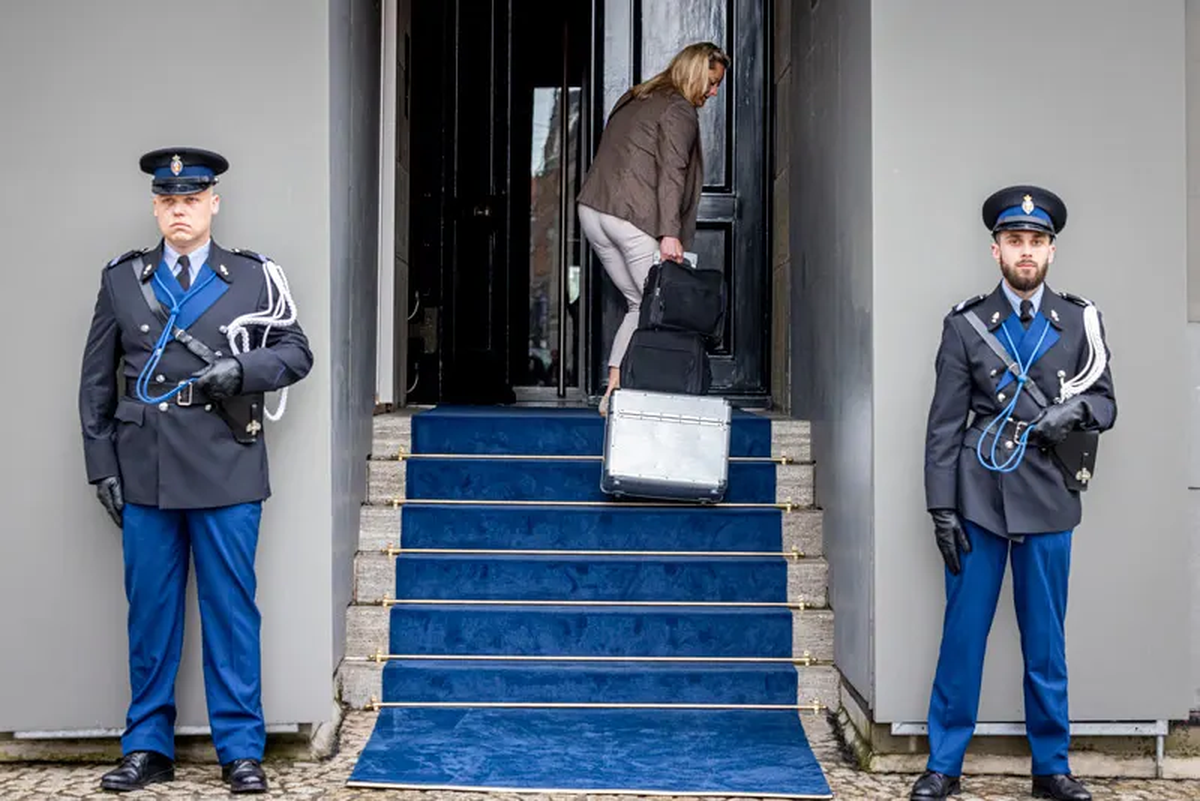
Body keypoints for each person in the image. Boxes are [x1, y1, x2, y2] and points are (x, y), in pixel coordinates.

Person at [78, 147, 313, 794]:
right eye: (168, 200)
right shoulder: (124, 280)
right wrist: (101, 464)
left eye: (191, 199)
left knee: (231, 612)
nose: (179, 209)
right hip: (145, 467)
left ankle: (240, 749)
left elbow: (296, 351)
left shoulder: (253, 277)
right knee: (150, 614)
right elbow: (95, 382)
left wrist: (241, 371)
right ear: (156, 206)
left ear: (214, 204)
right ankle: (147, 746)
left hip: (226, 464)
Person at [913, 185, 1116, 801]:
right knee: (963, 636)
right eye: (1014, 241)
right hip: (980, 497)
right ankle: (944, 764)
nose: (1025, 252)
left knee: (1046, 641)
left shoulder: (1081, 321)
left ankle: (1051, 767)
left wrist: (1075, 411)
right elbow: (944, 423)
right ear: (995, 249)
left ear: (1051, 251)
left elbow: (1107, 401)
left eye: (1036, 242)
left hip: (1050, 496)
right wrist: (941, 507)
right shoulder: (966, 324)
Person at [576, 41, 729, 414]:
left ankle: (613, 388)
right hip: (635, 217)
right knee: (663, 310)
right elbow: (672, 172)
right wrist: (670, 233)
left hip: (595, 211)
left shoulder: (635, 97)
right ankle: (634, 397)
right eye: (710, 83)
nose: (712, 92)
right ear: (693, 74)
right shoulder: (679, 109)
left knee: (639, 304)